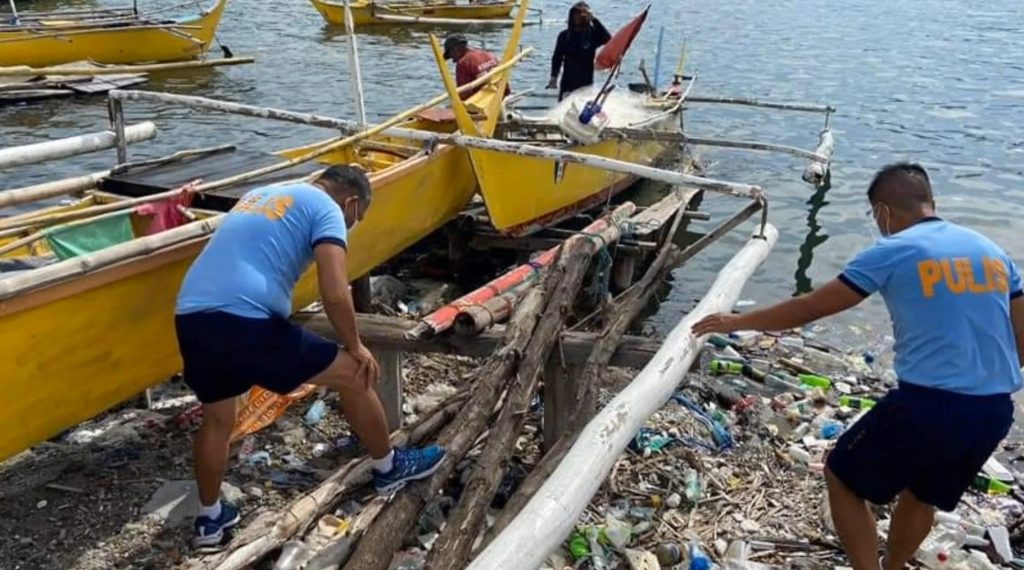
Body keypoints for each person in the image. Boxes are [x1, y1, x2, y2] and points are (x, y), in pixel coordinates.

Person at [693, 163, 1022, 570]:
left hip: (928, 405)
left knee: (841, 476)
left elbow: (811, 307)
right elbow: (1021, 337)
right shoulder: (992, 253)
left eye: (874, 216)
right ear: (930, 201)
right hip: (992, 411)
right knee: (922, 495)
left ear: (883, 211)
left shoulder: (894, 250)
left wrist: (737, 321)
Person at [174, 166, 446, 547]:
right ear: (351, 203)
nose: (351, 227)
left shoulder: (261, 193)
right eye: (357, 219)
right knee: (355, 372)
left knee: (218, 419)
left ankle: (209, 519)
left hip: (191, 317)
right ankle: (388, 467)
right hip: (244, 320)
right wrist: (355, 345)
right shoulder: (327, 207)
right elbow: (334, 290)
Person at [547, 1, 611, 101]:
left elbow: (608, 39)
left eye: (580, 15)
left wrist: (594, 19)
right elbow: (557, 57)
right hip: (568, 81)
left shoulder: (592, 34)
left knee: (582, 104)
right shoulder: (564, 36)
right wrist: (554, 76)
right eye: (574, 14)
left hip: (585, 81)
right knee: (564, 104)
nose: (576, 17)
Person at [443, 33, 504, 100]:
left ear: (456, 49)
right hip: (501, 93)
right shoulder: (488, 54)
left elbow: (463, 94)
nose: (453, 60)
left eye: (451, 55)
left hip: (483, 102)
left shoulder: (463, 63)